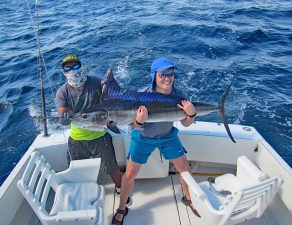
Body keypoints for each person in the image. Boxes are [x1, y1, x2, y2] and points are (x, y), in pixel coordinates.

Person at [112, 57, 199, 225]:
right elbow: (132, 126)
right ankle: (122, 208)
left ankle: (188, 199)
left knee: (185, 170)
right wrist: (139, 121)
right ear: (154, 76)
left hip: (168, 136)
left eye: (171, 73)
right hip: (143, 137)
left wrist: (192, 114)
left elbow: (186, 124)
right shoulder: (141, 95)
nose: (167, 78)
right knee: (129, 175)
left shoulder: (179, 95)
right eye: (163, 74)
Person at [56, 54, 123, 193]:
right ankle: (81, 192)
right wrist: (63, 118)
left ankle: (120, 188)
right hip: (77, 138)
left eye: (75, 66)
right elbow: (62, 116)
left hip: (100, 134)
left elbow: (112, 96)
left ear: (81, 66)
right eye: (68, 68)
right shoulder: (62, 92)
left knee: (111, 166)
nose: (73, 70)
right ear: (63, 72)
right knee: (76, 169)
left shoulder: (96, 82)